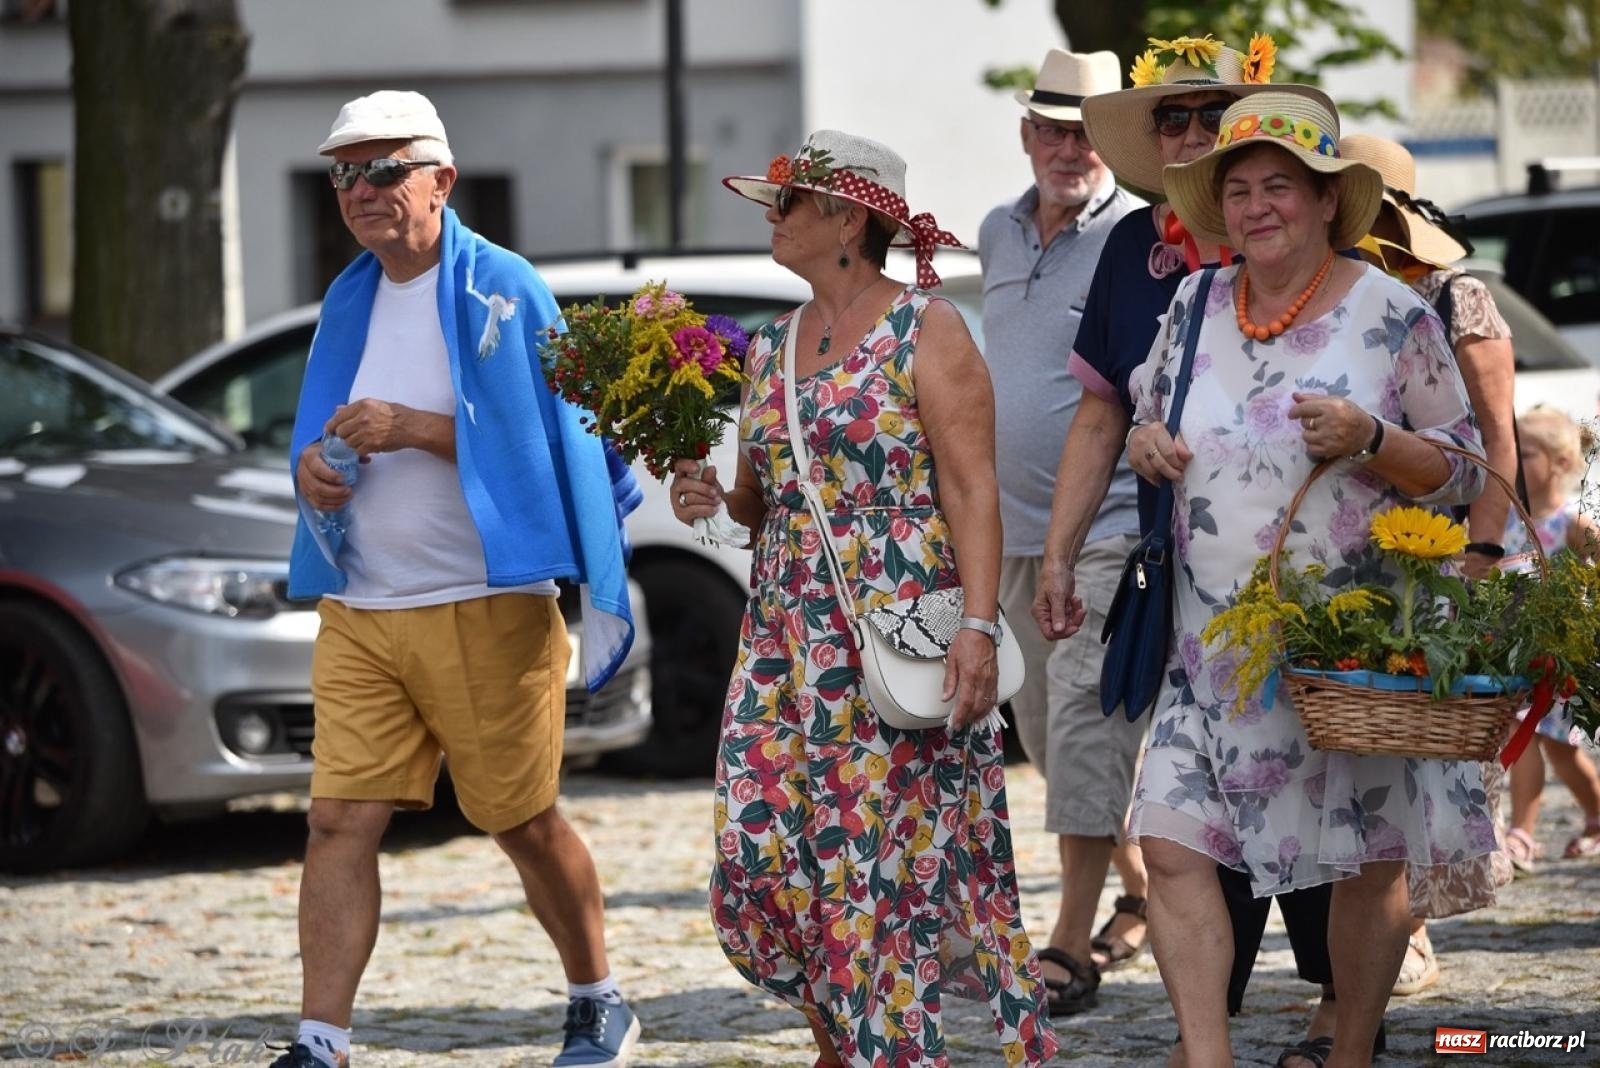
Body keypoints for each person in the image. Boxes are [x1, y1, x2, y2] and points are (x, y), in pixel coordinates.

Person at [1121, 91, 1492, 1066]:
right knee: (1167, 844)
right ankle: (1206, 1056)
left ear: (1328, 200)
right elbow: (1144, 417)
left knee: (1366, 863)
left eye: (1277, 185)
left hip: (1346, 646)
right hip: (1210, 646)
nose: (1254, 207)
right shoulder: (1194, 303)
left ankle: (1354, 1043)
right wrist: (1147, 444)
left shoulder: (1391, 314)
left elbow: (1463, 467)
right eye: (1236, 189)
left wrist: (1373, 438)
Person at [673, 130, 1058, 1068]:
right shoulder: (768, 348)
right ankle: (847, 1026)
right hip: (784, 637)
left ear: (848, 217)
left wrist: (975, 625)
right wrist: (713, 503)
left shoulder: (928, 328)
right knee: (763, 853)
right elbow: (764, 503)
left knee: (876, 864)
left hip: (899, 629)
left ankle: (868, 1049)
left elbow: (972, 490)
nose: (775, 217)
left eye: (789, 202)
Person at [277, 90, 642, 1068]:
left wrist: (410, 429)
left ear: (441, 178)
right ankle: (321, 1041)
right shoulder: (348, 294)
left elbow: (543, 451)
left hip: (486, 605)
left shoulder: (507, 286)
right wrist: (313, 467)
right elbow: (323, 428)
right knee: (334, 824)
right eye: (345, 173)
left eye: (384, 169)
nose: (361, 190)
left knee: (519, 822)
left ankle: (598, 996)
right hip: (363, 604)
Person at [1041, 39, 1366, 1066]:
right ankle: (1198, 1022)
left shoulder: (1324, 266)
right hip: (1165, 566)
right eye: (1172, 122)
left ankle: (1332, 1013)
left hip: (1315, 585)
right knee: (1155, 785)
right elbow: (1101, 413)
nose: (1186, 135)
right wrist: (1058, 553)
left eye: (1203, 117)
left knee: (1317, 801)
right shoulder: (1135, 255)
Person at [977, 47, 1148, 1017]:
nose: (1066, 145)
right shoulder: (996, 233)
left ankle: (1069, 946)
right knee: (1043, 734)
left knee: (1084, 727)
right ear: (1025, 134)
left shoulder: (1136, 234)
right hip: (1008, 536)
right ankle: (1137, 885)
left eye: (1085, 130)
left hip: (1108, 526)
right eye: (1050, 127)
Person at [1340, 132, 1521, 1001]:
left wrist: (1481, 556)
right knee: (1365, 753)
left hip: (1446, 551)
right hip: (1359, 555)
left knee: (1431, 748)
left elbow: (1497, 446)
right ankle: (1372, 938)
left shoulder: (1456, 298)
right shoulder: (1327, 292)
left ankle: (1402, 930)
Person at [1501, 407, 1600, 868]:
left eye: (1527, 453)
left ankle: (1596, 816)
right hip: (1513, 650)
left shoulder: (1570, 523)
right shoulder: (1505, 520)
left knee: (1562, 751)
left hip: (1558, 656)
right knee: (1526, 734)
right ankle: (1522, 833)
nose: (1516, 462)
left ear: (1560, 462)